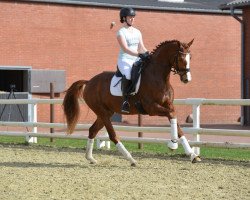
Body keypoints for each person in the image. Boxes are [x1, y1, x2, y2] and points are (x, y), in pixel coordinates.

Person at [117, 7, 149, 113]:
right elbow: (125, 49)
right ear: (124, 18)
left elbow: (141, 47)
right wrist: (139, 54)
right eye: (130, 17)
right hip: (124, 60)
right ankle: (125, 102)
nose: (132, 19)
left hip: (136, 59)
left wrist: (148, 54)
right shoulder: (121, 32)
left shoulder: (137, 32)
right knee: (128, 74)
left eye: (133, 17)